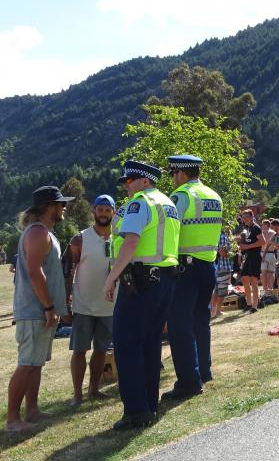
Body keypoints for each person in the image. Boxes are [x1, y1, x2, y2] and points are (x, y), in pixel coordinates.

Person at [103, 160, 179, 430]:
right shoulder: (167, 202)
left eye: (130, 180)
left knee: (127, 343)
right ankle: (150, 404)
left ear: (145, 180)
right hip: (165, 279)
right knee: (149, 343)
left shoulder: (140, 202)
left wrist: (111, 278)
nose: (126, 185)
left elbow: (131, 241)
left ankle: (136, 411)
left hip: (140, 281)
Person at [6, 186, 74, 432]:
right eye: (60, 204)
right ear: (49, 207)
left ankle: (32, 410)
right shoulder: (37, 233)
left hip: (42, 311)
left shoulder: (44, 232)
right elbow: (36, 272)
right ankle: (12, 419)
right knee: (27, 363)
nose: (63, 208)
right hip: (35, 310)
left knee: (36, 363)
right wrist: (48, 306)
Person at [162, 155, 222, 400]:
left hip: (185, 268)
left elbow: (168, 228)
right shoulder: (214, 196)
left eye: (173, 174)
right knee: (200, 321)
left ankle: (189, 381)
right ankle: (204, 371)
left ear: (181, 174)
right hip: (208, 266)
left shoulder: (182, 196)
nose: (173, 180)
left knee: (179, 325)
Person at [66, 194, 116, 407]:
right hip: (83, 304)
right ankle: (77, 395)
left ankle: (93, 390)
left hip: (110, 305)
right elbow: (68, 271)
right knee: (79, 350)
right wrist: (65, 302)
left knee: (101, 350)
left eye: (107, 210)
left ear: (113, 212)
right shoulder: (80, 239)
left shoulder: (120, 238)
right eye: (100, 209)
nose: (103, 213)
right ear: (93, 211)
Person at [236, 209, 264, 314]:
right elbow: (245, 240)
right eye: (243, 217)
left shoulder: (256, 228)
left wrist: (247, 246)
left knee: (254, 280)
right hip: (247, 257)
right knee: (244, 278)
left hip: (255, 256)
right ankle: (248, 304)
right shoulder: (246, 228)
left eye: (247, 217)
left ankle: (255, 306)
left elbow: (262, 241)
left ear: (252, 217)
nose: (244, 219)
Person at [211, 228, 233, 318]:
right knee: (222, 291)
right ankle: (218, 311)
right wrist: (232, 253)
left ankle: (213, 311)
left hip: (218, 267)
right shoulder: (223, 237)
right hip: (224, 266)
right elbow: (223, 253)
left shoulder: (217, 235)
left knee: (216, 291)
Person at [260, 220, 277, 299]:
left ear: (266, 225)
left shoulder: (261, 232)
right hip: (271, 253)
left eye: (263, 225)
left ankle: (265, 289)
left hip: (263, 253)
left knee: (264, 273)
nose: (262, 226)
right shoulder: (273, 233)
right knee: (271, 272)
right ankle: (270, 288)